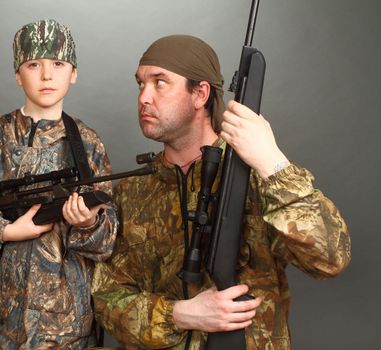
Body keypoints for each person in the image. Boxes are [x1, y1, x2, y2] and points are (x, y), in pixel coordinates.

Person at [91, 34, 351, 349]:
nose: (144, 97)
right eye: (141, 84)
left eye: (160, 83)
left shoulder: (257, 175)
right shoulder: (133, 191)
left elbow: (329, 259)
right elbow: (106, 299)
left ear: (200, 93)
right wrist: (178, 315)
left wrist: (273, 163)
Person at [0, 19, 118, 349]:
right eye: (33, 64)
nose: (46, 75)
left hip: (62, 334)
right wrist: (5, 230)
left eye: (58, 64)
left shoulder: (86, 144)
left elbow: (109, 239)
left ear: (73, 73)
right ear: (17, 74)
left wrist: (88, 224)